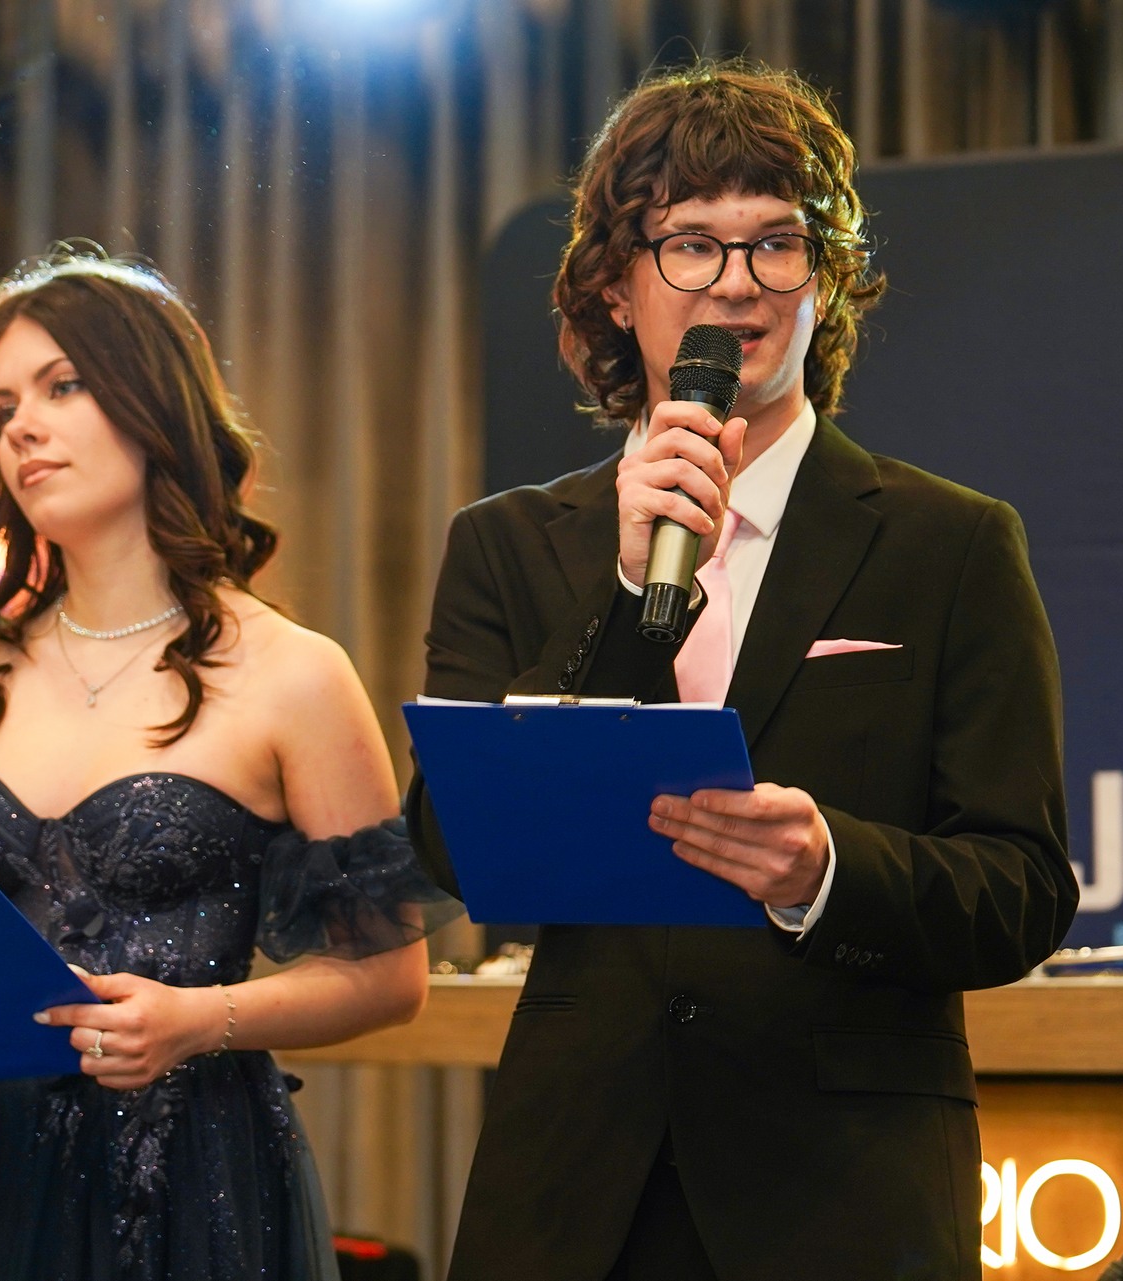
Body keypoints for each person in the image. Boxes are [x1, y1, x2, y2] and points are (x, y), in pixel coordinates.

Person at [405, 61, 1078, 1281]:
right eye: (691, 245)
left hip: (843, 1197)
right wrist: (624, 597)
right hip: (576, 1192)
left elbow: (1022, 887)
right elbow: (453, 848)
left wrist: (828, 869)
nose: (738, 281)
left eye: (778, 242)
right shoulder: (509, 544)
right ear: (616, 288)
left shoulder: (952, 543)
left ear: (828, 281)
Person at [0, 252, 455, 1281]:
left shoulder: (293, 674)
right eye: (3, 406)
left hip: (194, 1173)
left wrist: (203, 1019)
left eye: (62, 386)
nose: (22, 427)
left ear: (154, 407)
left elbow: (390, 977)